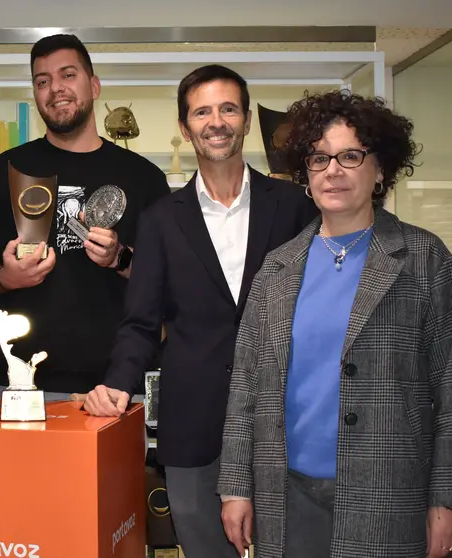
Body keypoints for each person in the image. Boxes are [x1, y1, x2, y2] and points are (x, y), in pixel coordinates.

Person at [216, 90, 452, 558]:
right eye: (320, 158)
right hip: (288, 497)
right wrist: (236, 487)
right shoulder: (277, 269)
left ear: (380, 169)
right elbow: (245, 388)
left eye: (351, 155)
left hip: (389, 496)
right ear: (306, 173)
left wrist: (450, 499)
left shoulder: (425, 260)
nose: (333, 170)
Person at [82, 65, 318, 557]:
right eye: (203, 111)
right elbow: (141, 321)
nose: (217, 121)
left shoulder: (296, 207)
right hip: (193, 423)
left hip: (284, 417)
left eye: (228, 108)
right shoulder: (161, 221)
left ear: (247, 119)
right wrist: (117, 383)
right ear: (186, 126)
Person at [0, 33, 170, 399]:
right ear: (35, 93)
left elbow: (166, 280)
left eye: (68, 75)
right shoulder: (1, 172)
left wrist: (121, 258)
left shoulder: (145, 177)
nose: (55, 88)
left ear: (94, 85)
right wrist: (6, 278)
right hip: (23, 382)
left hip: (120, 383)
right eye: (43, 81)